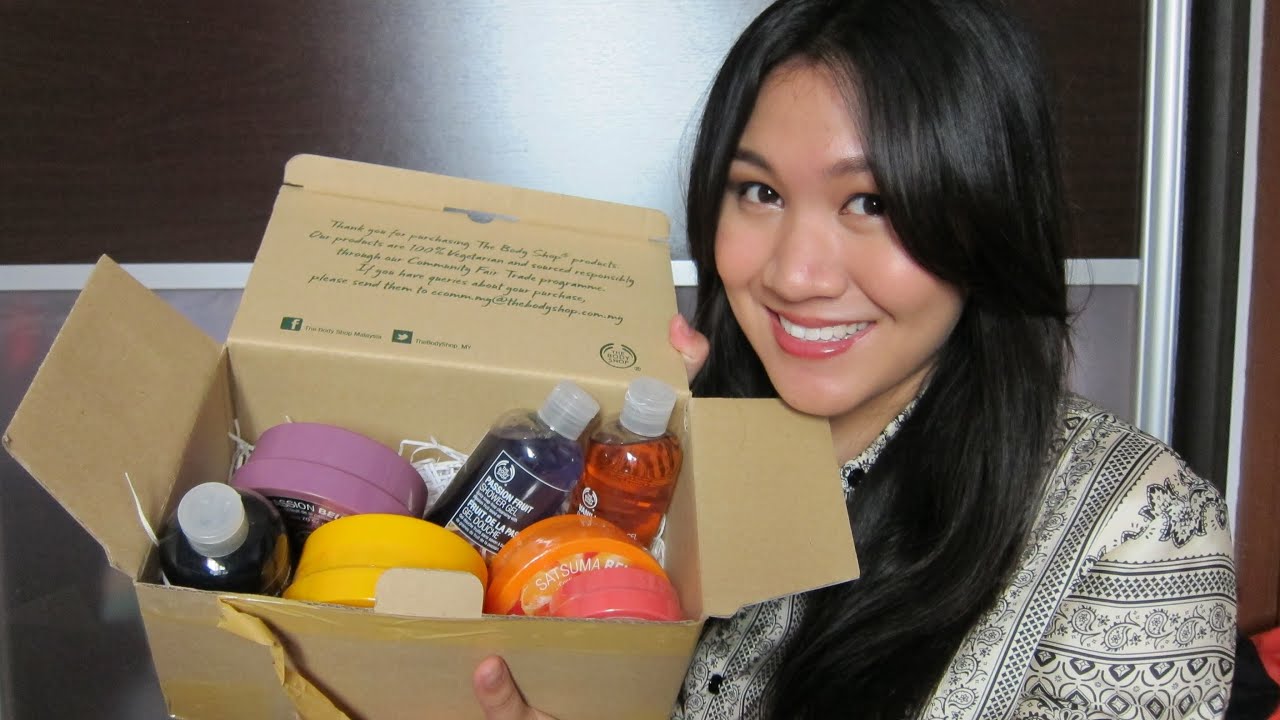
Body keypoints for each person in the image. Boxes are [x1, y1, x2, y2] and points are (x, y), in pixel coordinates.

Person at [472, 0, 1237, 717]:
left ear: (984, 215)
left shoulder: (1139, 530)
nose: (795, 276)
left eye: (873, 203)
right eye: (760, 192)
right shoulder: (664, 461)